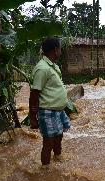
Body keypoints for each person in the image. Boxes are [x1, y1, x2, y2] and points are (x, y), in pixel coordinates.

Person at [29, 37, 71, 167]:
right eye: (60, 48)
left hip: (59, 110)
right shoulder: (42, 68)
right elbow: (34, 94)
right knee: (48, 143)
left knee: (58, 137)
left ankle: (58, 159)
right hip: (48, 111)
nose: (61, 51)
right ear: (55, 50)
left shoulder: (53, 66)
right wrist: (33, 117)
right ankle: (45, 171)